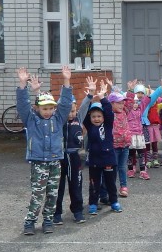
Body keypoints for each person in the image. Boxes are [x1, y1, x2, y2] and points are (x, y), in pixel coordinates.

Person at [15, 65, 73, 235]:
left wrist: (67, 81)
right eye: (44, 108)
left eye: (50, 108)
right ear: (37, 108)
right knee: (37, 194)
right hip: (39, 162)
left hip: (55, 161)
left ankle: (48, 220)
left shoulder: (58, 118)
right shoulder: (31, 119)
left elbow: (66, 103)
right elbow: (22, 105)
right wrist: (22, 84)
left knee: (52, 193)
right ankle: (30, 222)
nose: (47, 111)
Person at [82, 77, 123, 215]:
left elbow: (109, 111)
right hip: (94, 161)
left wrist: (102, 97)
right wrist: (90, 96)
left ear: (103, 117)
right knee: (94, 183)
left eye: (99, 116)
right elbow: (84, 113)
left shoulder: (108, 124)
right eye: (93, 116)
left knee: (110, 183)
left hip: (108, 159)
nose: (96, 119)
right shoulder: (89, 126)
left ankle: (114, 202)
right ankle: (93, 203)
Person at [55, 91, 90, 225]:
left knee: (76, 185)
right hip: (58, 156)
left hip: (74, 157)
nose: (70, 114)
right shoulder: (57, 120)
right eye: (67, 111)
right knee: (57, 187)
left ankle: (77, 211)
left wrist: (90, 95)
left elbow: (84, 107)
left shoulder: (78, 119)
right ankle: (56, 213)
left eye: (73, 111)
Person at [125, 81, 153, 180]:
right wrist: (130, 90)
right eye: (134, 102)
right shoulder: (127, 111)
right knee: (131, 153)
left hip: (139, 135)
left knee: (141, 153)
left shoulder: (140, 110)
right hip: (130, 135)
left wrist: (148, 95)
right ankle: (130, 169)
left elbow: (145, 102)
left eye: (137, 102)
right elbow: (128, 100)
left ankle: (142, 171)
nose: (135, 104)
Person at [110, 89, 132, 197]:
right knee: (113, 168)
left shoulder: (125, 112)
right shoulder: (110, 114)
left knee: (122, 167)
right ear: (111, 103)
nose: (121, 105)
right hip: (114, 146)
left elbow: (130, 103)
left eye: (122, 103)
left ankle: (123, 186)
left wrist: (130, 90)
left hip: (125, 145)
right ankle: (111, 187)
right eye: (118, 103)